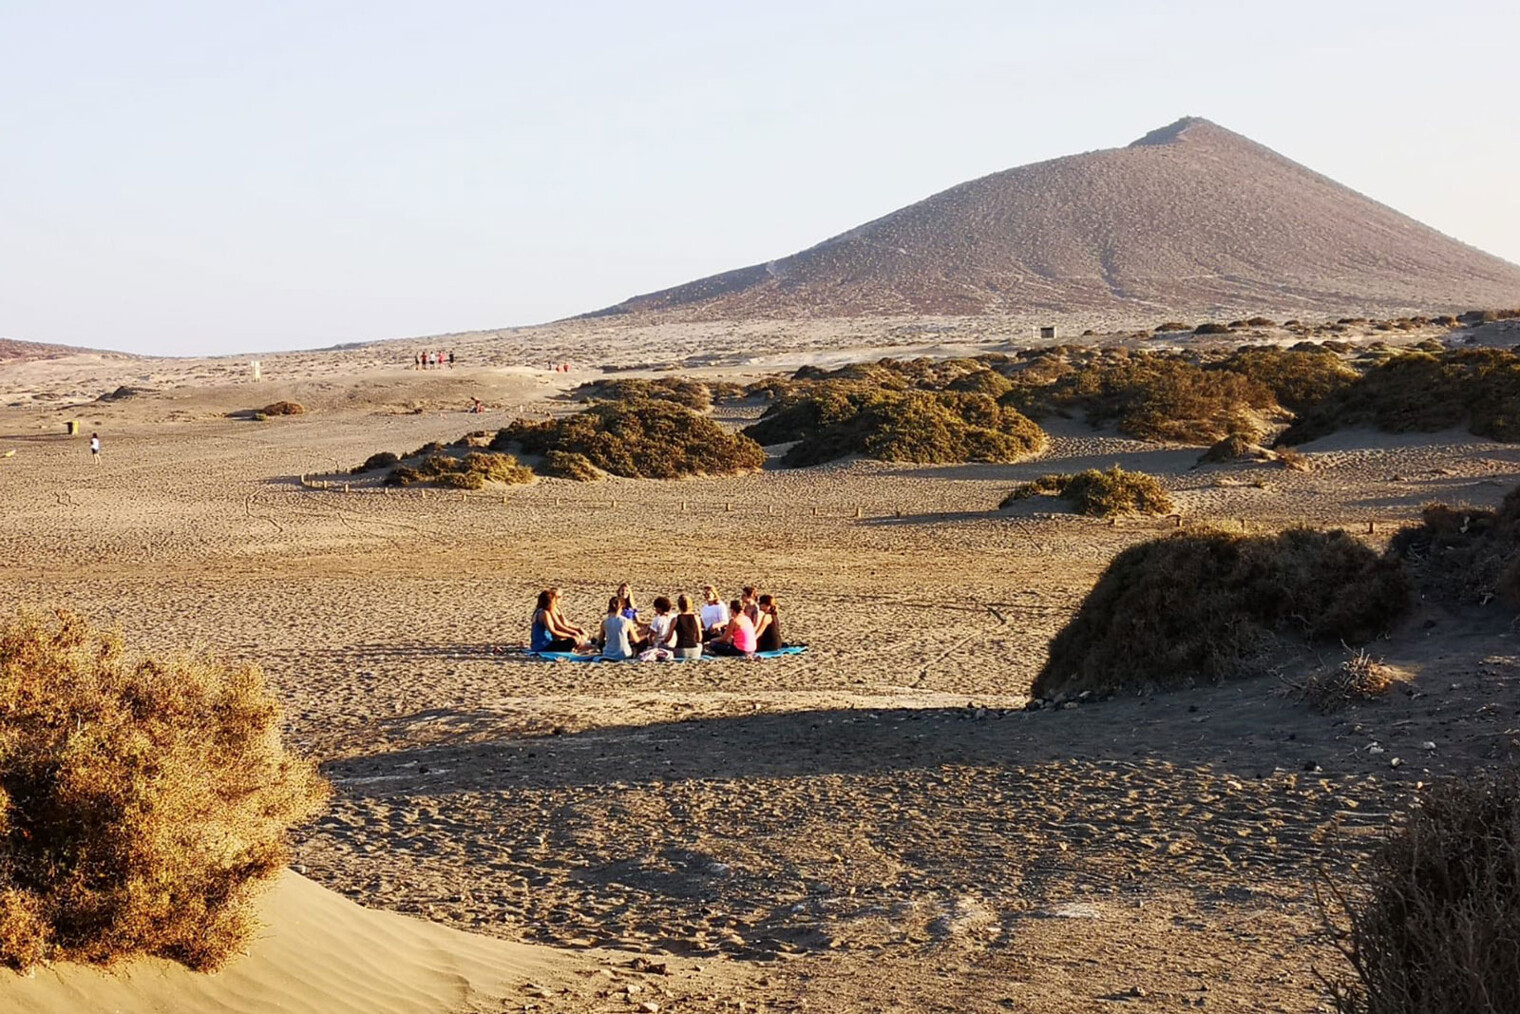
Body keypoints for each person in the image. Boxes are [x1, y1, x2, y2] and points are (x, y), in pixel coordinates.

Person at [600, 596, 639, 660]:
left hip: (608, 654)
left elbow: (600, 641)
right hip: (624, 654)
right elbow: (636, 640)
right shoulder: (627, 621)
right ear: (621, 607)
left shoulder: (605, 622)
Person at [672, 593, 703, 660]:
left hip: (681, 648)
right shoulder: (696, 618)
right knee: (700, 645)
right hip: (694, 649)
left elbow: (668, 637)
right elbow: (699, 638)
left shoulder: (676, 619)